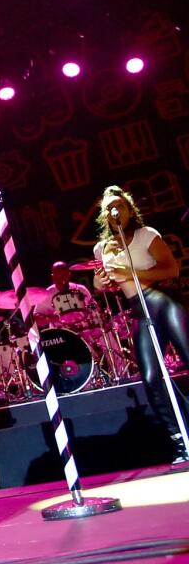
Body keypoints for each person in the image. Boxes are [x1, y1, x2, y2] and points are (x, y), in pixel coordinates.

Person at [92, 186, 189, 465]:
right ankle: (179, 439)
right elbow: (102, 285)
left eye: (120, 206)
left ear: (129, 210)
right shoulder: (102, 248)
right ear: (105, 216)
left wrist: (130, 273)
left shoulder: (148, 235)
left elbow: (172, 269)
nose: (115, 212)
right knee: (149, 377)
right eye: (110, 208)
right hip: (139, 310)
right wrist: (101, 283)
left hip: (162, 300)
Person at [36, 260, 96, 326]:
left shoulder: (81, 289)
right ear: (53, 277)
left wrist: (93, 307)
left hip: (85, 328)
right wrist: (51, 318)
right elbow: (37, 319)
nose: (61, 280)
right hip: (62, 333)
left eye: (63, 276)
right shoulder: (47, 294)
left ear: (69, 274)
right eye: (57, 277)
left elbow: (94, 307)